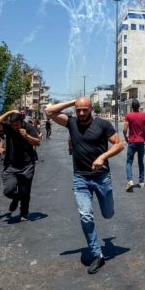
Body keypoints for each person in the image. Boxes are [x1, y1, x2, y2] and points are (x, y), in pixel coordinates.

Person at [46, 97, 124, 274]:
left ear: (91, 109)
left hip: (102, 177)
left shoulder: (103, 125)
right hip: (80, 178)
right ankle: (98, 254)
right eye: (78, 109)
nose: (81, 113)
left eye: (84, 109)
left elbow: (119, 144)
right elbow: (49, 112)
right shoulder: (71, 123)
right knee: (86, 217)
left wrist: (102, 157)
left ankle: (107, 215)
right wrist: (73, 101)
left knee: (108, 214)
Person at [0, 110, 41, 221]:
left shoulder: (29, 127)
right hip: (11, 165)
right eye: (13, 125)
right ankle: (16, 198)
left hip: (27, 165)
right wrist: (9, 112)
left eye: (16, 124)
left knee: (25, 191)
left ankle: (24, 213)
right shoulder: (9, 127)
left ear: (21, 121)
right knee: (8, 190)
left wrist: (26, 136)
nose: (15, 127)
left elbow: (37, 142)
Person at [123, 98, 145, 191]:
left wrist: (126, 137)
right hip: (141, 142)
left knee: (129, 162)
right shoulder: (144, 115)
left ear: (132, 107)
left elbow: (124, 129)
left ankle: (130, 180)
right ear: (139, 106)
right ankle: (141, 181)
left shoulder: (128, 116)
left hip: (132, 142)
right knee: (140, 162)